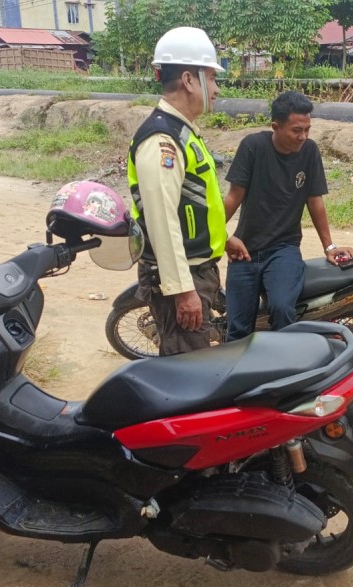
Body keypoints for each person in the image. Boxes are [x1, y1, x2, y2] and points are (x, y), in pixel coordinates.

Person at [127, 26, 227, 356]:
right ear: (188, 79)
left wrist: (225, 239)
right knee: (190, 373)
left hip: (198, 270)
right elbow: (162, 220)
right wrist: (182, 291)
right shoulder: (162, 141)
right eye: (211, 78)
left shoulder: (182, 133)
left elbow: (197, 203)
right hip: (182, 279)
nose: (215, 89)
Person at [222, 91, 353, 341]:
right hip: (244, 250)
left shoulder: (310, 151)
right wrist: (215, 236)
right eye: (296, 130)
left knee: (282, 310)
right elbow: (233, 197)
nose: (303, 136)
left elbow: (315, 201)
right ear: (276, 127)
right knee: (237, 327)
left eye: (307, 129)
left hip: (284, 249)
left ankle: (285, 370)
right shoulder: (253, 146)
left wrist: (330, 245)